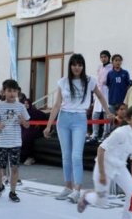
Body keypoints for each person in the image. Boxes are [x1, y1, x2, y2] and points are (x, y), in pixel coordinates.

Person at [44, 54, 112, 203]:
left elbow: (100, 97)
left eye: (80, 64)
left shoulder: (90, 81)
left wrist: (107, 111)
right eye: (74, 64)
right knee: (66, 156)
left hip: (80, 119)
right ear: (70, 66)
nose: (77, 67)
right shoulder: (63, 82)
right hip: (63, 119)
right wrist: (49, 125)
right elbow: (56, 105)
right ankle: (67, 187)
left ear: (83, 66)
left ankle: (77, 189)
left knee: (76, 156)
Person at [77, 105, 132, 219]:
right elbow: (101, 149)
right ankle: (86, 196)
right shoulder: (120, 133)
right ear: (129, 119)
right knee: (101, 201)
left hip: (119, 167)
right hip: (104, 165)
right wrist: (103, 173)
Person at [0, 79, 30, 202]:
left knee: (15, 168)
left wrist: (22, 121)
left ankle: (13, 192)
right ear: (4, 92)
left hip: (15, 143)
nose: (12, 93)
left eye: (14, 91)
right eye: (9, 91)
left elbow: (27, 124)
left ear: (18, 92)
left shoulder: (21, 107)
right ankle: (0, 187)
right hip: (1, 142)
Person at [90, 50, 112, 142]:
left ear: (108, 57)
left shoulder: (111, 67)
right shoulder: (99, 67)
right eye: (102, 57)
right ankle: (94, 134)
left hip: (107, 92)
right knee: (95, 114)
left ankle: (105, 135)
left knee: (106, 114)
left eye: (105, 57)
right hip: (98, 92)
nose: (103, 59)